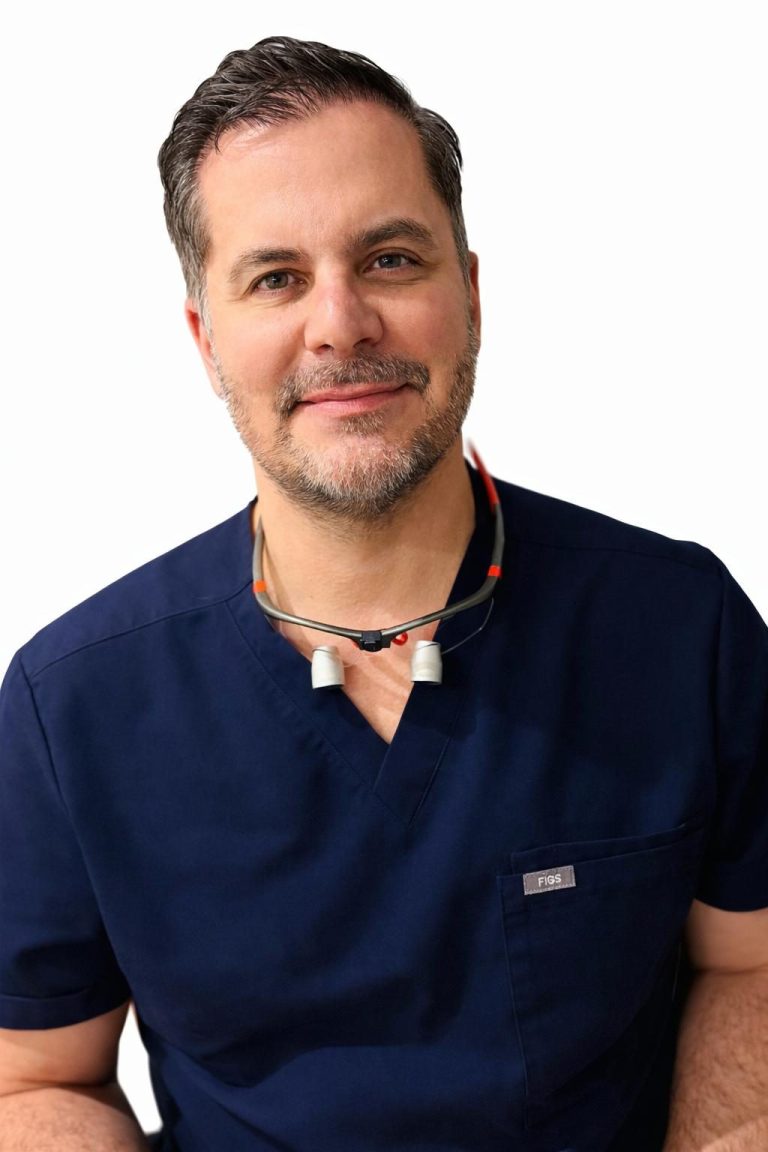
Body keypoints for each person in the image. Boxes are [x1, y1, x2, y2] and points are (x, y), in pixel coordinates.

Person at [0, 34, 766, 1152]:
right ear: (207, 340)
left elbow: (751, 965)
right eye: (276, 278)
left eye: (392, 259)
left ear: (471, 293)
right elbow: (35, 1080)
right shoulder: (72, 707)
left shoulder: (679, 631)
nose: (341, 323)